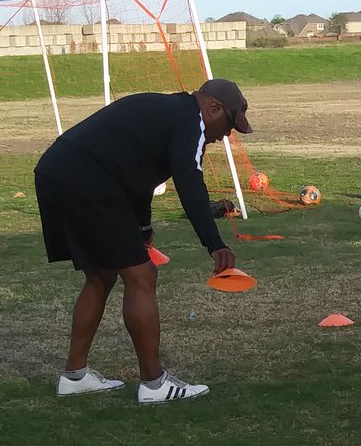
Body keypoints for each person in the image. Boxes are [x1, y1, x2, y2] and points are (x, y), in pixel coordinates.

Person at [34, 78, 252, 404]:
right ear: (212, 108)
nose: (227, 134)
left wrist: (142, 228)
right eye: (229, 124)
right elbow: (190, 182)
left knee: (102, 274)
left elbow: (137, 177)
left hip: (57, 172)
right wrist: (214, 243)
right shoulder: (189, 121)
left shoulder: (170, 113)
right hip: (86, 179)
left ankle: (74, 376)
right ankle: (154, 384)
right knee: (142, 275)